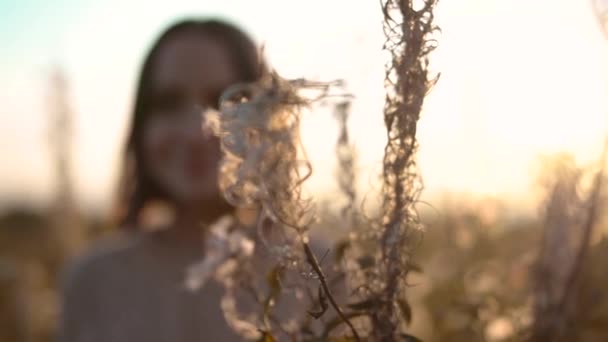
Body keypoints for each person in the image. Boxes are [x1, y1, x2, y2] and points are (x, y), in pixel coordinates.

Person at [58, 18, 263, 342]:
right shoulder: (91, 282)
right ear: (141, 125)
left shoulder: (325, 280)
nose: (195, 132)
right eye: (168, 103)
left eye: (225, 102)